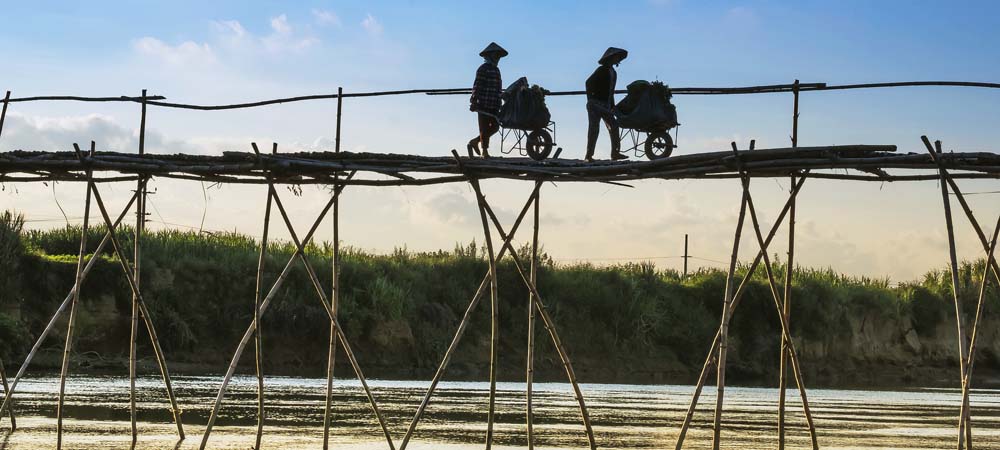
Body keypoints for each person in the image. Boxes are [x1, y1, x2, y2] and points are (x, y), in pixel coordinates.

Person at [585, 47, 628, 162]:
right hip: (595, 104)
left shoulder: (613, 72)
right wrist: (590, 99)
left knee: (614, 126)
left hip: (605, 105)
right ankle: (588, 155)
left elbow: (611, 92)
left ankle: (615, 152)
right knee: (594, 129)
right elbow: (588, 83)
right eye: (616, 57)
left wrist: (612, 106)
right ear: (610, 58)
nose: (617, 59)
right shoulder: (601, 70)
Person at [468, 42, 507, 158]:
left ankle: (475, 141)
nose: (498, 58)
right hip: (483, 103)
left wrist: (500, 99)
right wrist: (474, 100)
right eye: (496, 56)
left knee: (495, 127)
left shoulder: (496, 70)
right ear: (490, 56)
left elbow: (498, 88)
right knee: (484, 127)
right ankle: (485, 151)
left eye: (498, 56)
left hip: (494, 103)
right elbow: (477, 85)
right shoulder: (483, 69)